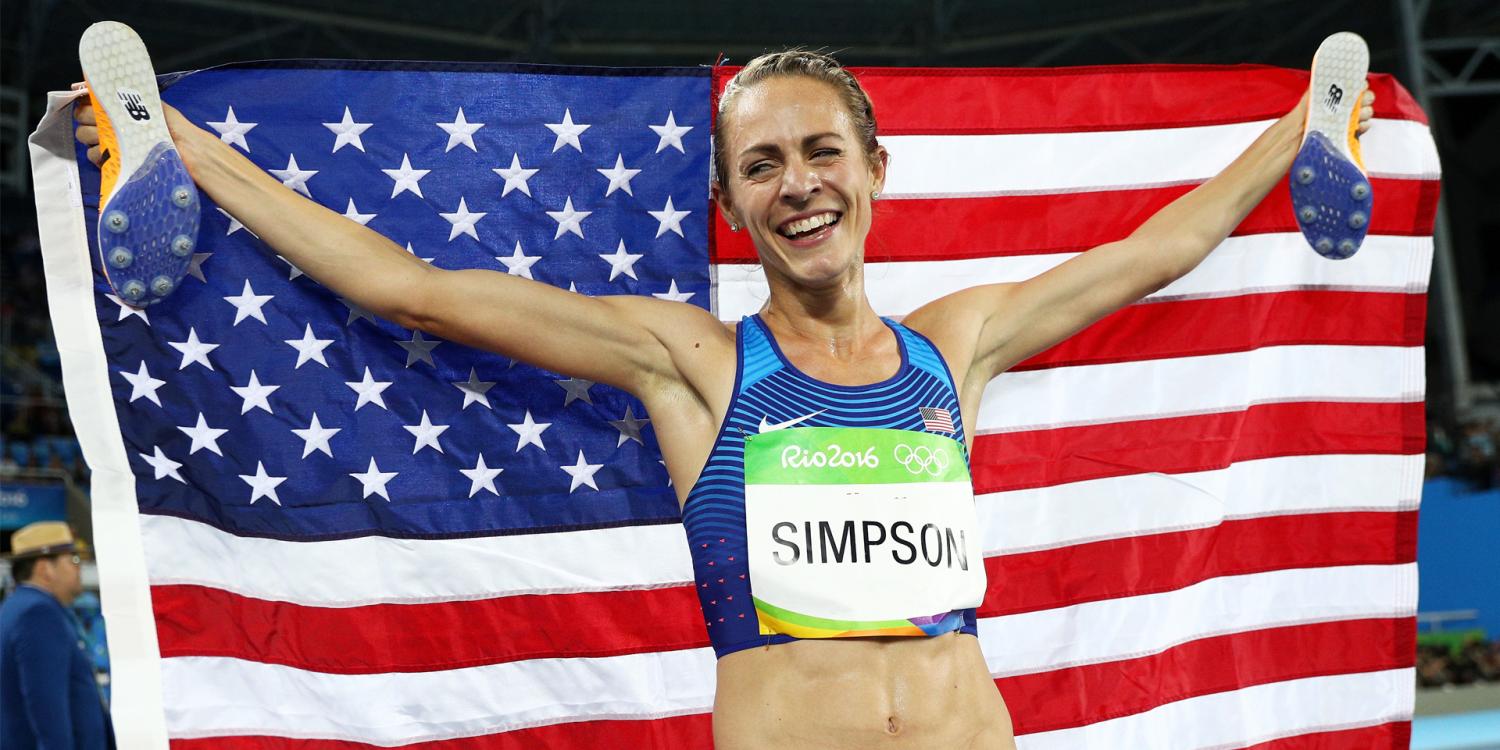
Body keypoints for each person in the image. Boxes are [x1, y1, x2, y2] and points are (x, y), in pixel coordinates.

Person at [74, 44, 1373, 748]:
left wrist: (1303, 124)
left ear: (875, 169)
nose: (796, 181)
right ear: (731, 205)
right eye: (761, 165)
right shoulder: (694, 363)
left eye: (819, 151)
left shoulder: (953, 348)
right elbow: (417, 288)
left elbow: (1156, 253)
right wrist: (179, 147)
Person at [1, 522, 115, 749]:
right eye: (72, 559)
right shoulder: (38, 614)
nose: (79, 567)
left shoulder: (16, 608)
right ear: (45, 569)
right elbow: (47, 710)